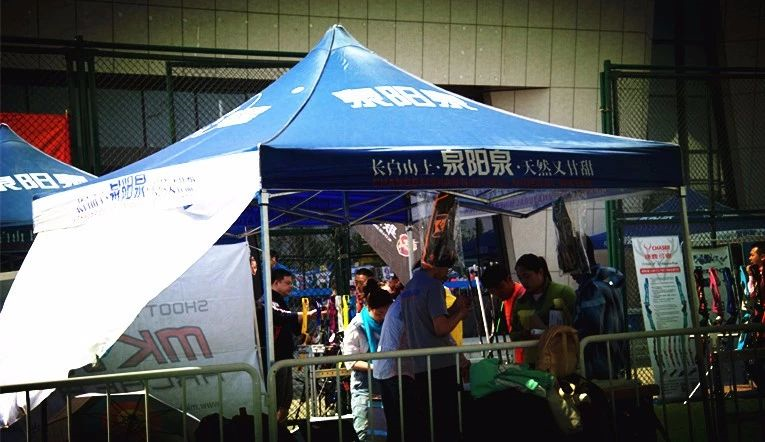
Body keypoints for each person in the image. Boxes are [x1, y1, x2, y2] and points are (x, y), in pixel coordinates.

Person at [397, 259, 471, 442]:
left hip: (419, 365)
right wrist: (461, 314)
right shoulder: (434, 286)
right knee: (448, 422)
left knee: (431, 422)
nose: (447, 273)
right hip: (441, 364)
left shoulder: (409, 288)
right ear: (436, 266)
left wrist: (455, 308)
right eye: (446, 268)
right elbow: (440, 328)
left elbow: (430, 319)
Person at [256, 268, 316, 424]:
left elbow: (292, 326)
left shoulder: (281, 301)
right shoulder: (267, 300)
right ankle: (272, 431)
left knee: (285, 401)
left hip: (285, 357)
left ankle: (280, 429)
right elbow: (279, 316)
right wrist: (303, 315)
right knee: (276, 401)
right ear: (276, 283)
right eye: (288, 283)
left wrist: (305, 330)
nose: (291, 287)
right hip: (274, 359)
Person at [342, 280, 393, 441]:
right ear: (370, 308)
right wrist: (376, 367)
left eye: (387, 313)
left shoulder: (391, 322)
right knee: (366, 432)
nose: (383, 318)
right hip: (364, 387)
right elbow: (350, 360)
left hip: (389, 384)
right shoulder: (357, 326)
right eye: (379, 314)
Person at [511, 254, 576, 342]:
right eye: (520, 278)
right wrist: (525, 334)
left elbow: (578, 325)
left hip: (561, 348)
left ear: (540, 272)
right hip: (533, 350)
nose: (523, 281)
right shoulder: (521, 303)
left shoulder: (563, 293)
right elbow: (513, 335)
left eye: (527, 276)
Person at [481, 263, 527, 335]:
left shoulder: (523, 295)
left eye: (500, 287)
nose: (498, 293)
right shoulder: (507, 298)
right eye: (493, 291)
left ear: (509, 279)